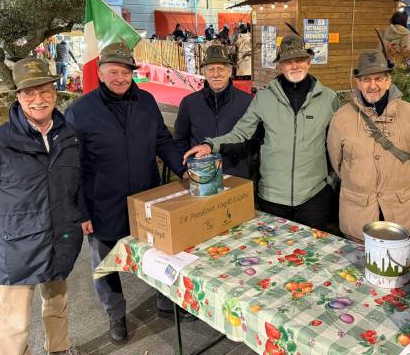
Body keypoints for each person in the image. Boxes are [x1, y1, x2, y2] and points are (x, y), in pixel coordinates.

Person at [0, 58, 83, 355]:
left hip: (59, 241)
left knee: (57, 305)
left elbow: (75, 186)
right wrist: (1, 232)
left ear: (55, 93)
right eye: (29, 93)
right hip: (15, 250)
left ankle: (59, 349)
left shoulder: (69, 137)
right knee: (16, 323)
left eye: (45, 90)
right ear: (18, 96)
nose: (39, 99)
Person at [65, 42, 188, 344]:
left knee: (156, 253)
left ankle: (165, 300)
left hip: (146, 199)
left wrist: (184, 169)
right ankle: (115, 314)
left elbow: (162, 140)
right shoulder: (80, 111)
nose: (120, 78)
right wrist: (80, 211)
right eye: (114, 72)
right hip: (102, 203)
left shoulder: (146, 101)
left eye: (126, 72)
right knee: (105, 264)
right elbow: (71, 167)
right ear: (101, 73)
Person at [183, 33, 339, 229]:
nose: (294, 66)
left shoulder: (328, 98)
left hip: (314, 197)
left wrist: (331, 180)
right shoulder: (264, 98)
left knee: (314, 247)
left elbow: (337, 143)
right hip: (273, 197)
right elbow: (241, 133)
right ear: (279, 65)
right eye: (288, 61)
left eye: (300, 60)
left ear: (309, 62)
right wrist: (210, 145)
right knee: (272, 246)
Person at [327, 48, 410, 243]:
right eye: (366, 79)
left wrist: (399, 182)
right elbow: (337, 162)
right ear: (358, 83)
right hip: (358, 213)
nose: (372, 85)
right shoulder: (341, 117)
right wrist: (360, 181)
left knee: (397, 261)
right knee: (356, 261)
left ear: (388, 80)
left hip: (401, 212)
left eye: (379, 79)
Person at [175, 45, 255, 179]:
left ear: (230, 72)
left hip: (237, 175)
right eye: (211, 69)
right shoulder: (189, 103)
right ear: (204, 73)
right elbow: (180, 140)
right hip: (202, 174)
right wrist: (186, 167)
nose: (216, 74)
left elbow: (252, 140)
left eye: (221, 69)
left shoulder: (247, 102)